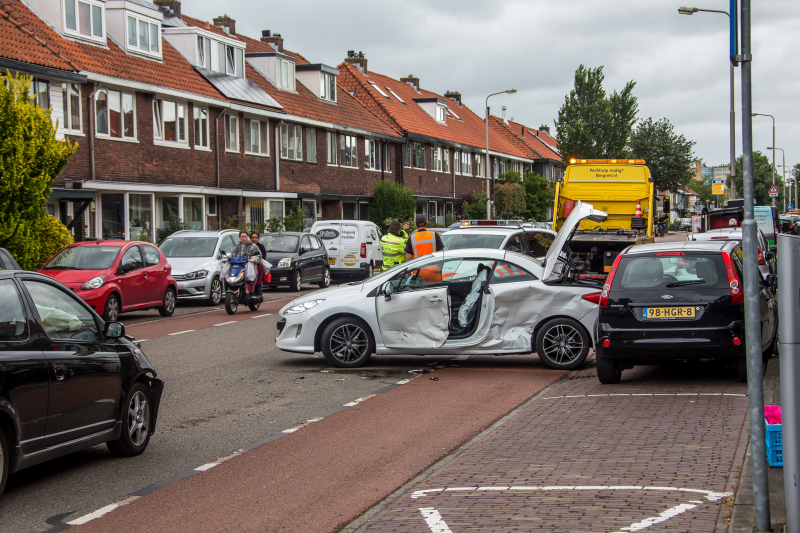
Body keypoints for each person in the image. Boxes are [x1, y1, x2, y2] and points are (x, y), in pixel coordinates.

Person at [405, 214, 445, 283]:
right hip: (434, 271)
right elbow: (441, 254)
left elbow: (408, 258)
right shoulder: (434, 235)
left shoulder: (412, 238)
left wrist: (409, 276)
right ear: (426, 223)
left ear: (415, 224)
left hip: (419, 272)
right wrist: (440, 270)